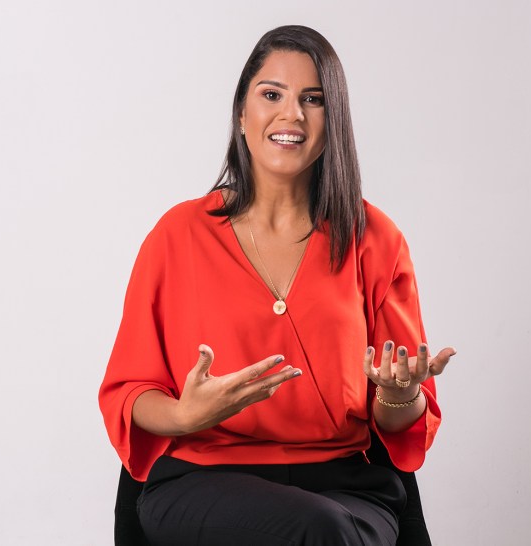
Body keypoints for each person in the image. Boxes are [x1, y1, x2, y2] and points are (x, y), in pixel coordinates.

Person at [99, 25, 455, 545]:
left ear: (333, 122)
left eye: (313, 100)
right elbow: (128, 393)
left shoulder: (374, 239)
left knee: (329, 528)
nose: (292, 115)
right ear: (242, 114)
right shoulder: (178, 235)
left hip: (348, 489)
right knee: (317, 530)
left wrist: (400, 394)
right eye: (272, 95)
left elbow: (402, 426)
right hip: (205, 480)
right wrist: (184, 413)